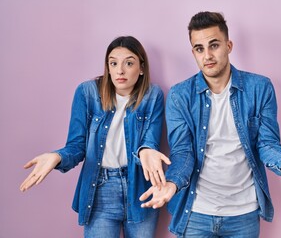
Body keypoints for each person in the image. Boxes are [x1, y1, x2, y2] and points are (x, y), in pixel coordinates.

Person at [139, 11, 281, 237]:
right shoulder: (180, 95)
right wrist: (172, 184)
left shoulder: (260, 88)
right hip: (196, 213)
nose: (207, 55)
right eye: (199, 49)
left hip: (243, 214)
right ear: (193, 53)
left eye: (214, 45)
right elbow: (183, 152)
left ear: (229, 45)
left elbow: (266, 143)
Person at [20, 36, 170, 238]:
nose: (120, 70)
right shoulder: (87, 93)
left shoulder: (153, 95)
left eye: (129, 63)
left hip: (140, 188)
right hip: (100, 189)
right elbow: (76, 145)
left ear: (141, 68)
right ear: (107, 67)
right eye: (113, 63)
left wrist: (147, 151)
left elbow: (149, 142)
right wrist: (57, 157)